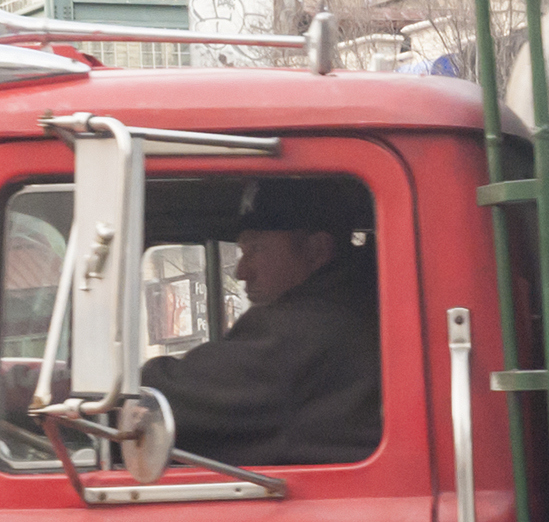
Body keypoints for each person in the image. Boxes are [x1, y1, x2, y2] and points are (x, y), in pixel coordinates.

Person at [147, 181, 380, 466]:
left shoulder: (303, 331)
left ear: (316, 250)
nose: (241, 271)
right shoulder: (354, 307)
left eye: (255, 249)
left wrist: (111, 401)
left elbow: (168, 402)